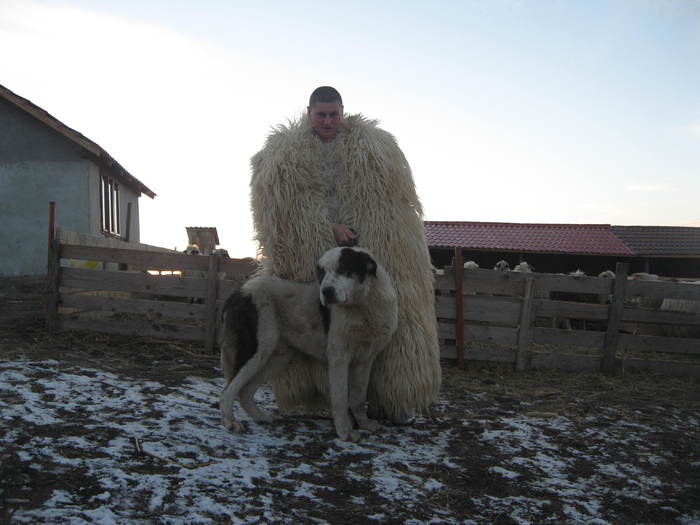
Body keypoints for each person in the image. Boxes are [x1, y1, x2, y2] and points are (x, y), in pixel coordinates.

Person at [249, 86, 440, 423]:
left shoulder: (376, 147)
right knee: (318, 323)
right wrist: (326, 227)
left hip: (378, 249)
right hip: (311, 256)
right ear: (309, 112)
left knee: (387, 322)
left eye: (333, 114)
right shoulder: (281, 156)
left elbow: (394, 201)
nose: (327, 121)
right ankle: (328, 399)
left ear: (343, 111)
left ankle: (388, 400)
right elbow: (279, 209)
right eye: (321, 114)